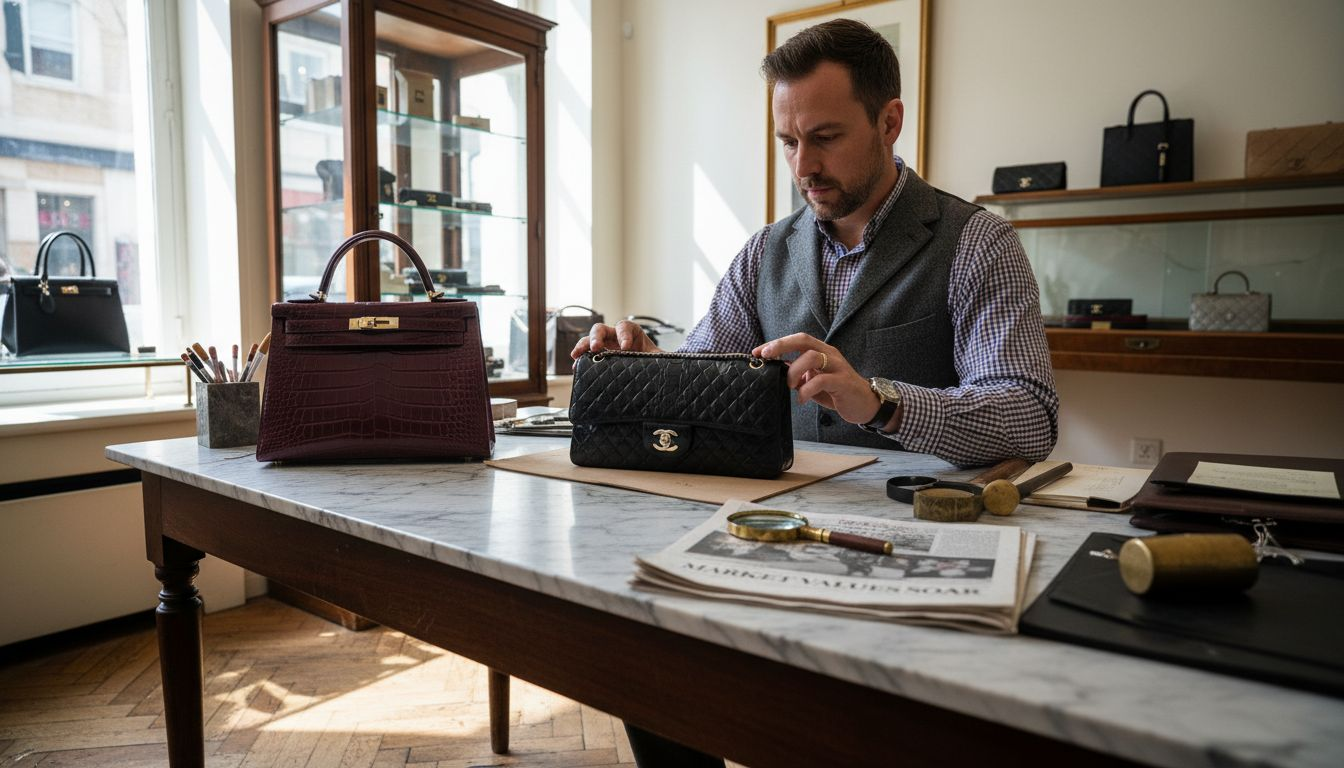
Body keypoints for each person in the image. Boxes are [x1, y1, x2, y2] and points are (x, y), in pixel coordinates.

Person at [571, 18, 1058, 767]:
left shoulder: (976, 243)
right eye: (788, 142)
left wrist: (883, 401)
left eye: (825, 137)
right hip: (767, 539)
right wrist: (645, 366)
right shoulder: (762, 251)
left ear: (890, 121)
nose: (804, 164)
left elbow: (1027, 415)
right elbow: (706, 372)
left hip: (911, 556)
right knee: (644, 656)